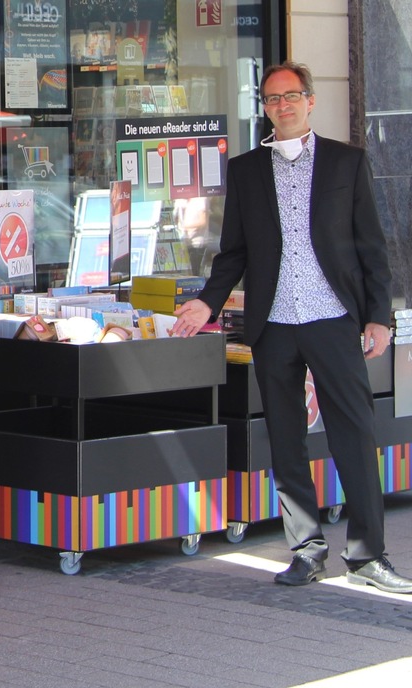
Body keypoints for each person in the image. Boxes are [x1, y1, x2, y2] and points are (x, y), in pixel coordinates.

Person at [172, 62, 412, 594]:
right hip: (274, 321)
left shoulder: (347, 162)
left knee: (354, 433)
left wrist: (379, 317)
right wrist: (206, 304)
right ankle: (306, 548)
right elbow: (233, 251)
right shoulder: (247, 169)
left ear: (310, 101)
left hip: (332, 317)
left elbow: (372, 246)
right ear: (264, 106)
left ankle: (368, 555)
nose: (282, 105)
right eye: (272, 98)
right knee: (285, 440)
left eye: (292, 96)